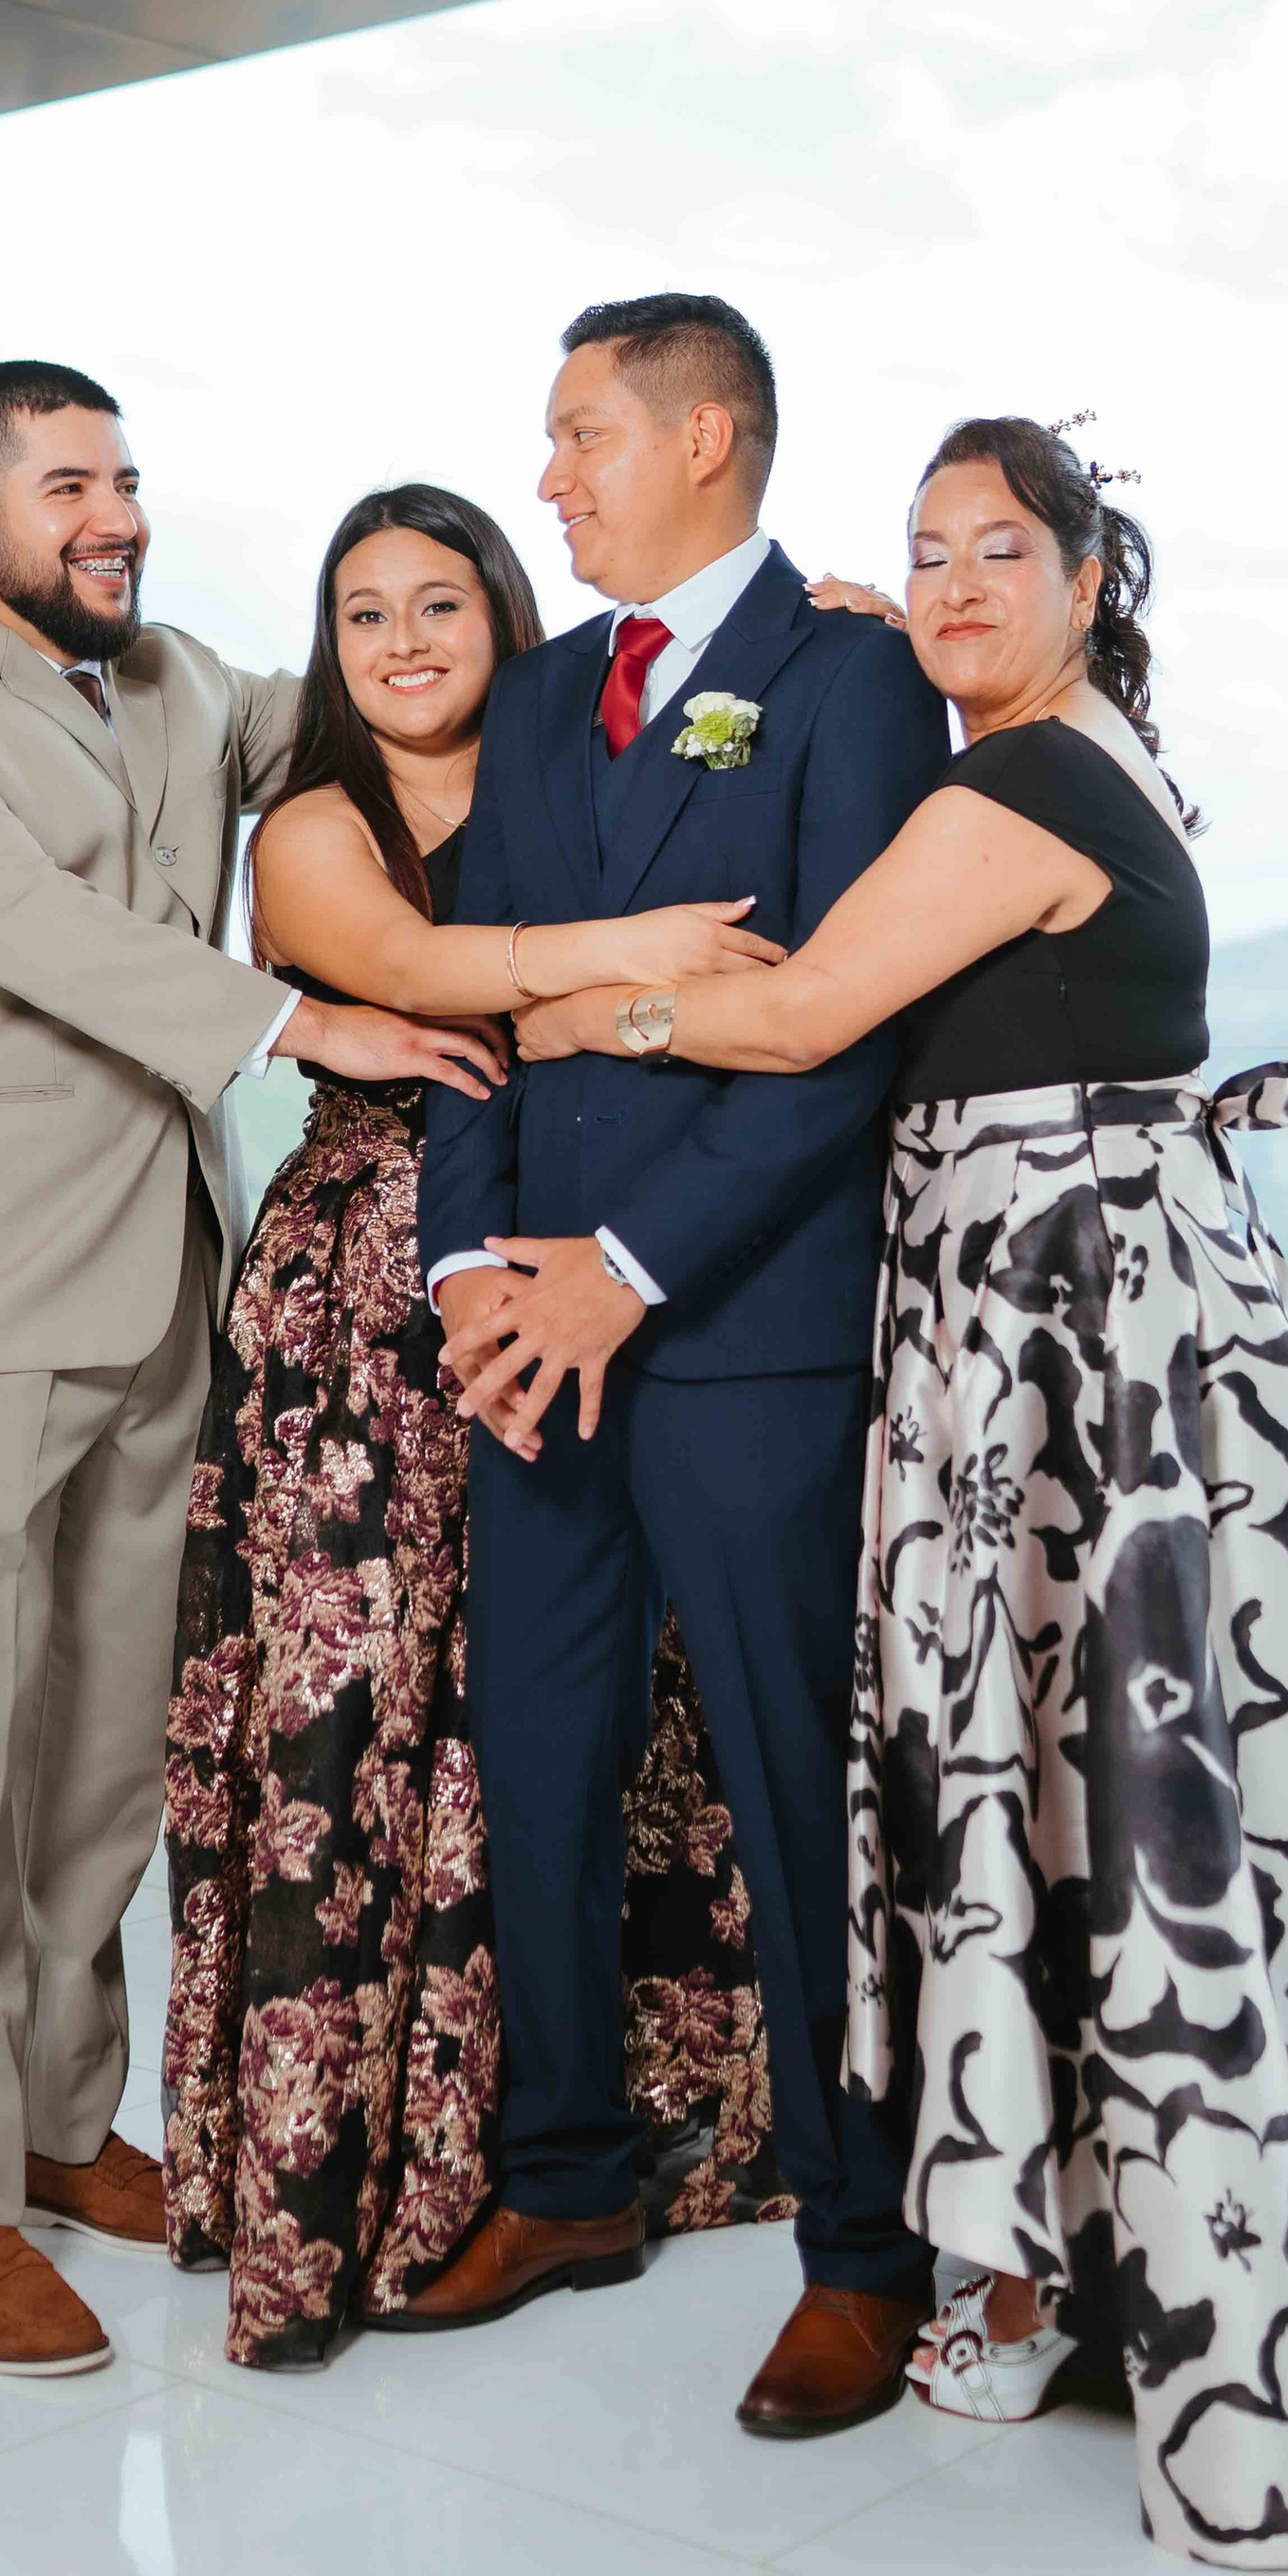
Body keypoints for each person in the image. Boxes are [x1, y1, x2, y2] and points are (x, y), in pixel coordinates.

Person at [518, 413, 1288, 2564]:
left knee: (1085, 1792)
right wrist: (888, 644)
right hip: (1095, 1321)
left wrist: (591, 992)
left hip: (1062, 1336)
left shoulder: (1018, 780)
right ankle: (1115, 2253)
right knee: (1090, 1790)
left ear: (1082, 580)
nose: (952, 586)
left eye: (996, 556)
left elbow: (804, 1031)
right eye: (919, 555)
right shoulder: (1090, 753)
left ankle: (1168, 2292)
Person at [0, 361, 487, 2381]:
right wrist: (302, 1021)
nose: (115, 511)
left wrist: (727, 649)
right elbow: (30, 932)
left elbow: (394, 679)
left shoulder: (178, 679)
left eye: (126, 476)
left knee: (106, 1755)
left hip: (161, 1297)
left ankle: (51, 2116)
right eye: (68, 482)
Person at [160, 482, 810, 2365]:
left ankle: (572, 2149)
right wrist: (634, 970)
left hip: (577, 1273)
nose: (401, 641)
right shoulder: (310, 827)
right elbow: (441, 979)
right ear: (331, 651)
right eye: (360, 615)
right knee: (352, 1725)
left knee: (543, 1728)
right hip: (365, 1313)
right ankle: (343, 2176)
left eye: (438, 601)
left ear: (503, 614)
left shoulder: (579, 776)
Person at [416, 295, 950, 2439]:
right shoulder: (541, 700)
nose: (546, 477)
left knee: (787, 1784)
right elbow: (481, 1001)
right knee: (533, 1761)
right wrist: (474, 1266)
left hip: (738, 1333)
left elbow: (844, 1032)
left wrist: (622, 1269)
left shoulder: (849, 676)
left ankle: (861, 2244)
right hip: (529, 1325)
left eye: (577, 436)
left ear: (707, 435)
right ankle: (563, 2178)